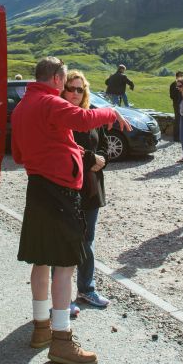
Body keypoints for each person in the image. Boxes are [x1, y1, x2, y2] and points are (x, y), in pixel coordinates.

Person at [12, 57, 130, 364]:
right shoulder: (50, 102)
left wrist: (67, 151)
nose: (65, 87)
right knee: (64, 267)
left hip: (36, 188)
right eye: (63, 82)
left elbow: (20, 154)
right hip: (60, 192)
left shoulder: (23, 106)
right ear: (55, 79)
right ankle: (62, 341)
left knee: (40, 260)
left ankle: (41, 329)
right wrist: (112, 112)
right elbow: (82, 119)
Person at [60, 69, 111, 310]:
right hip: (69, 190)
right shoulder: (60, 116)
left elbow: (104, 148)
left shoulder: (91, 117)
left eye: (80, 89)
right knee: (66, 242)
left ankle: (86, 289)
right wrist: (92, 159)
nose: (75, 93)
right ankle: (63, 299)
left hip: (91, 190)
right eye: (71, 88)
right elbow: (63, 152)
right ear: (63, 89)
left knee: (87, 240)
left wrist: (100, 159)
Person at [169, 70, 183, 141]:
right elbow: (172, 96)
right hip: (176, 104)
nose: (181, 77)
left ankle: (181, 136)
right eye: (180, 76)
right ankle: (176, 137)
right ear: (177, 76)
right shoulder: (173, 85)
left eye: (182, 76)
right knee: (178, 119)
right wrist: (178, 91)